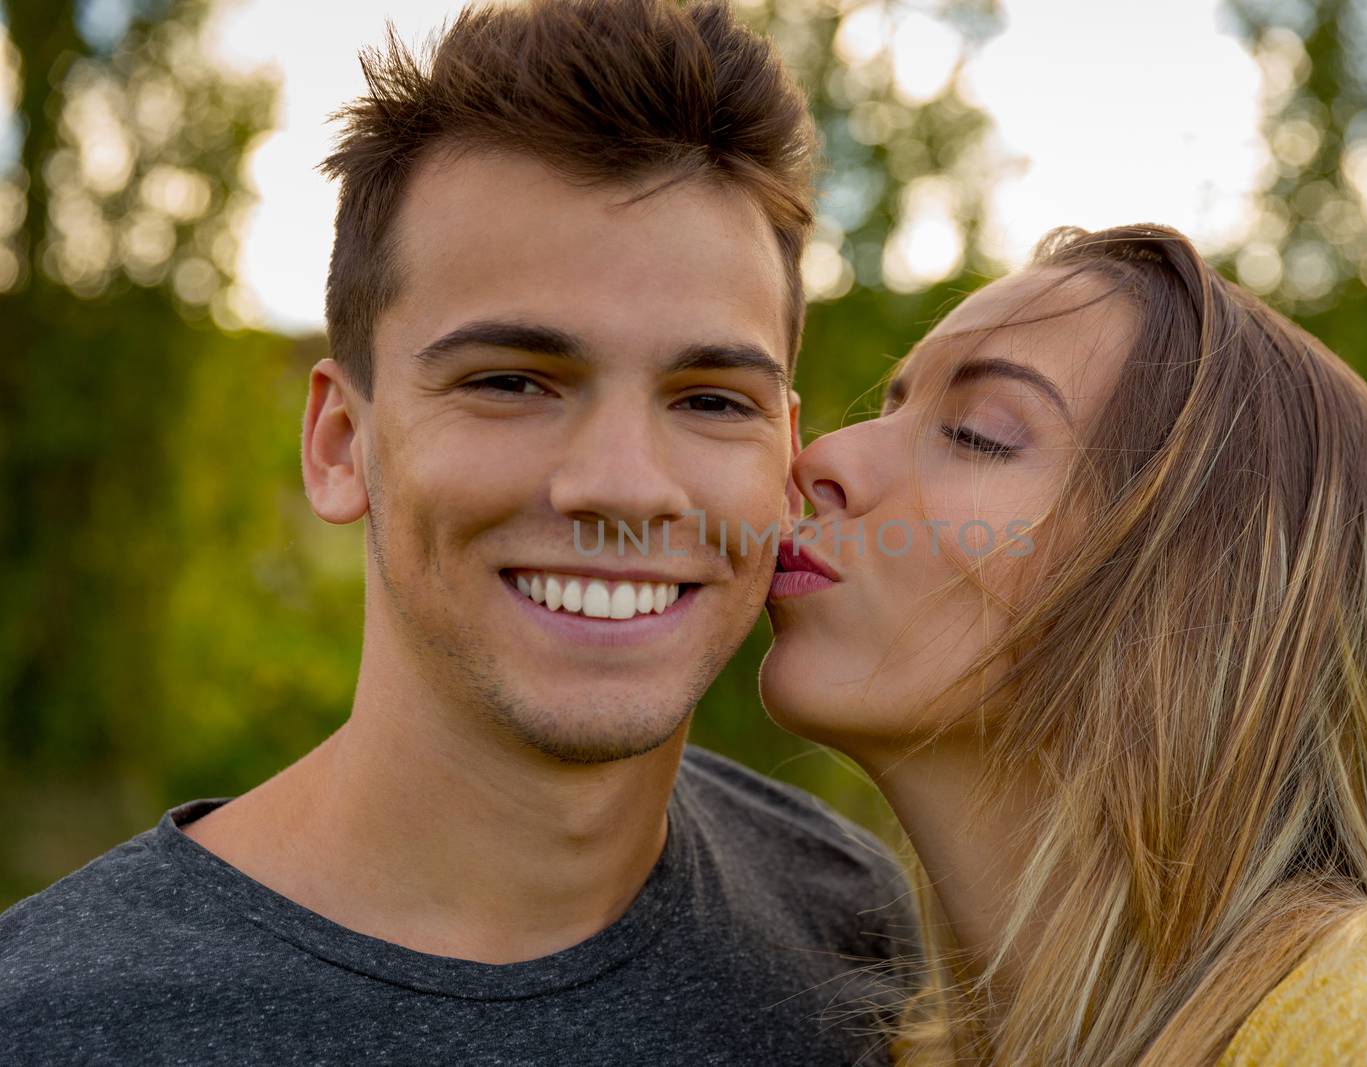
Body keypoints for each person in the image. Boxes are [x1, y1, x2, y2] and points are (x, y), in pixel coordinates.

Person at [0, 3, 916, 1064]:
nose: (622, 485)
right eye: (512, 381)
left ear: (785, 448)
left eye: (712, 399)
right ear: (342, 442)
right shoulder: (55, 1026)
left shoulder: (849, 922)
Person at [761, 223, 1367, 1065]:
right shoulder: (903, 1051)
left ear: (1194, 603)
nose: (822, 455)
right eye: (894, 403)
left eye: (978, 433)